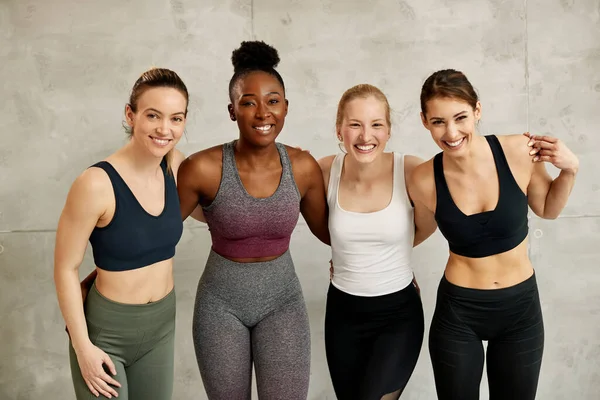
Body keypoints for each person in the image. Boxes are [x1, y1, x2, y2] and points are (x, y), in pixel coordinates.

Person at [408, 69, 579, 400]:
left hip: (520, 311)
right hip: (459, 313)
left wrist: (570, 170)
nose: (452, 132)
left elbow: (548, 208)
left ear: (477, 111)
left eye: (460, 117)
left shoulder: (518, 150)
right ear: (424, 121)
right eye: (438, 121)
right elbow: (417, 232)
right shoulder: (423, 178)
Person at [176, 40, 330, 400]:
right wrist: (100, 275)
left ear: (286, 107)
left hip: (283, 303)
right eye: (249, 102)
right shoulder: (202, 168)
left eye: (273, 101)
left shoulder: (303, 168)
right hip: (220, 306)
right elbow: (156, 234)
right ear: (232, 111)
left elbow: (332, 234)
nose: (263, 113)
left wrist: (395, 267)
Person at [54, 68, 191, 400]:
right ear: (131, 115)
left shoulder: (174, 165)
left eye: (176, 118)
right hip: (107, 333)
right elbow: (65, 268)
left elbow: (221, 208)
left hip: (161, 326)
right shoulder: (95, 183)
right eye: (153, 115)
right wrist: (82, 346)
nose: (164, 129)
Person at [317, 84, 437, 400]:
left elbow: (424, 228)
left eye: (376, 125)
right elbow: (319, 226)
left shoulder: (411, 170)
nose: (365, 135)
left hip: (397, 315)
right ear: (339, 129)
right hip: (342, 314)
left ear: (388, 130)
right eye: (355, 124)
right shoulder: (325, 170)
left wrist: (391, 256)